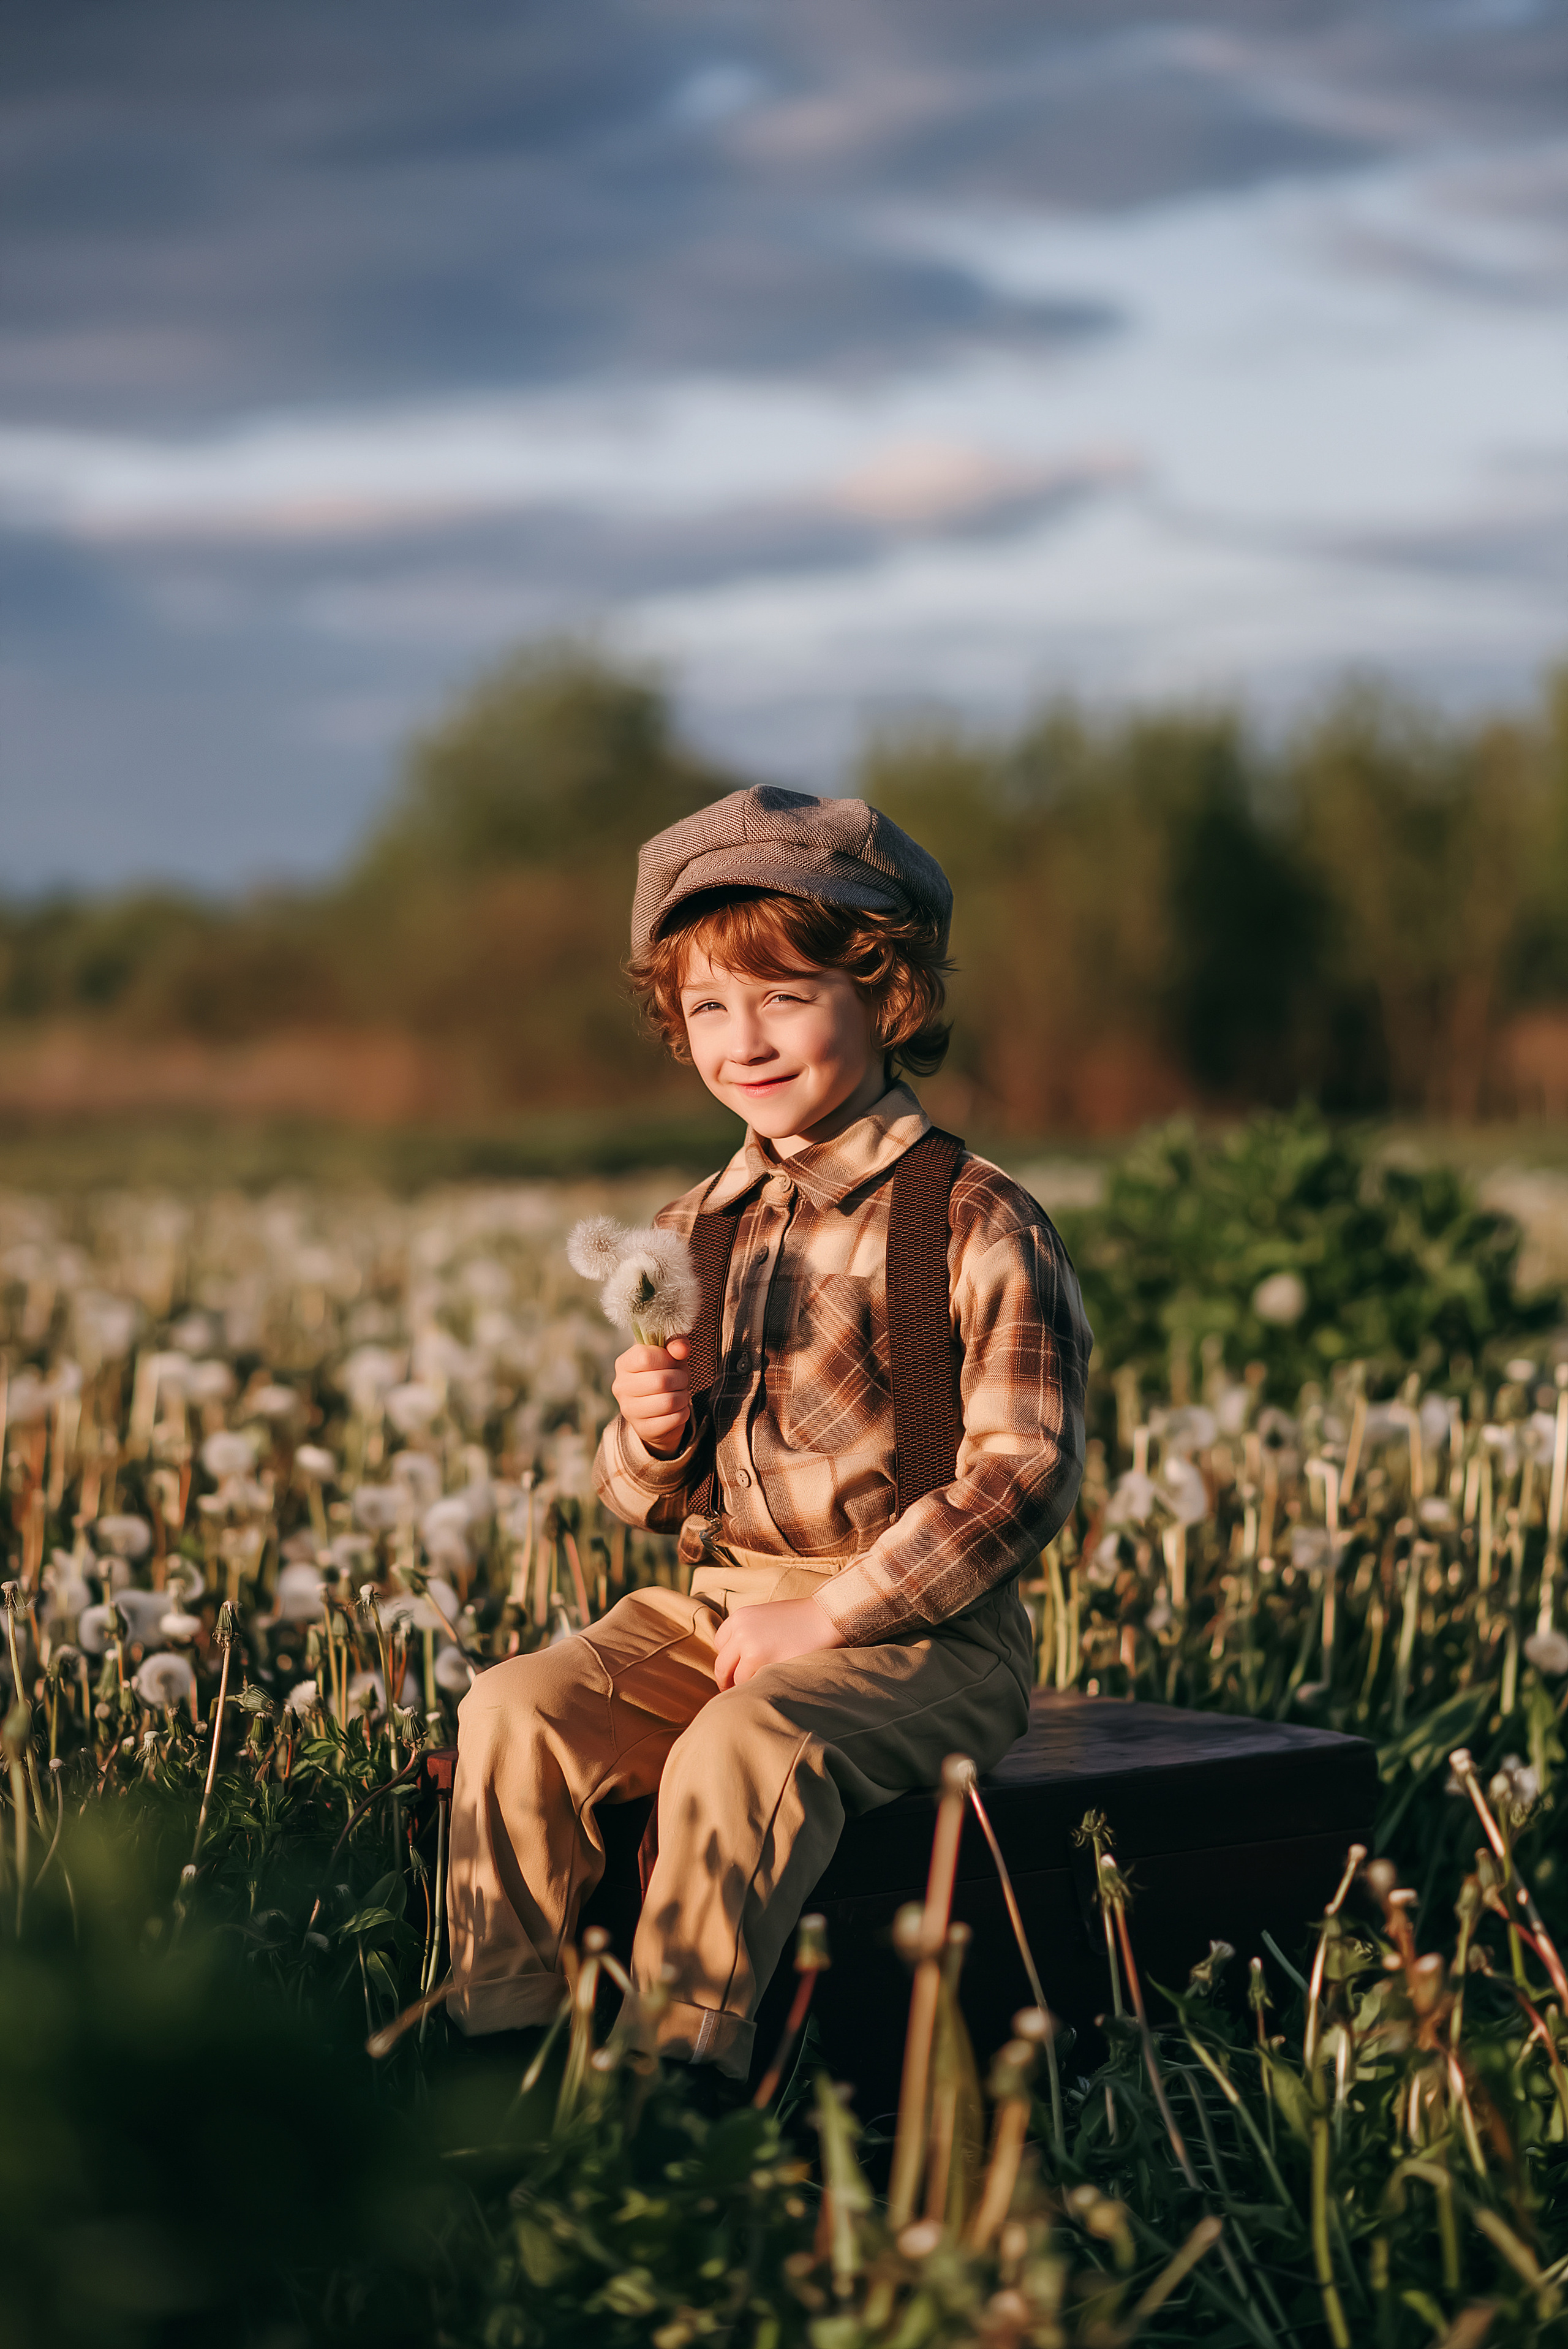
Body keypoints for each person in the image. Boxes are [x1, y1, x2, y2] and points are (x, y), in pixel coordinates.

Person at [446, 784, 1091, 2079]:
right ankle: (492, 2049)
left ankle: (680, 2082)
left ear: (884, 994)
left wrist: (831, 1617)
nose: (742, 1039)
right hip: (723, 1608)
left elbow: (1022, 1474)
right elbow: (642, 1496)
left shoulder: (971, 1218)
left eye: (784, 995)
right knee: (514, 1707)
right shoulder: (693, 1223)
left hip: (924, 1639)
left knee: (750, 1749)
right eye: (705, 1009)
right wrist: (651, 1433)